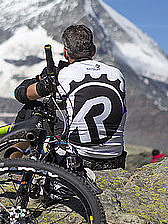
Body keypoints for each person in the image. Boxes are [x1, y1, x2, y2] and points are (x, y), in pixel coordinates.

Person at [13, 25, 127, 170]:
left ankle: (12, 165)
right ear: (93, 50)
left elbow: (22, 94)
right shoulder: (117, 74)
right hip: (114, 161)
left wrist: (44, 81)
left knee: (32, 109)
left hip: (76, 162)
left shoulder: (63, 75)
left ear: (65, 53)